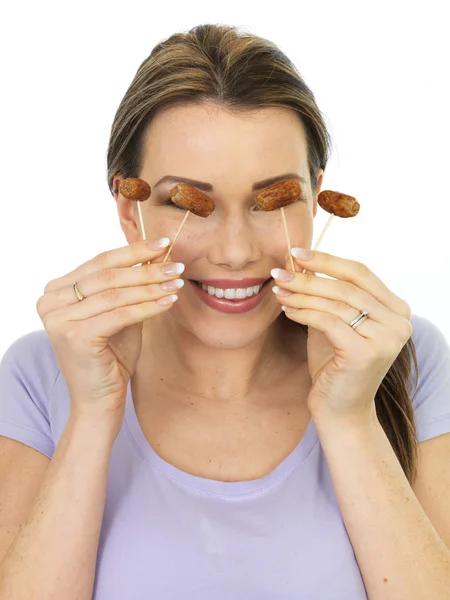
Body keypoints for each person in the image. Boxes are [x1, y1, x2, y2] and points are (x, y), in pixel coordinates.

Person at [1, 23, 450, 600]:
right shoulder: (39, 374)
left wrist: (349, 418)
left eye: (277, 201)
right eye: (188, 202)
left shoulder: (406, 358)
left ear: (317, 195)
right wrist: (93, 414)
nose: (235, 252)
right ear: (127, 206)